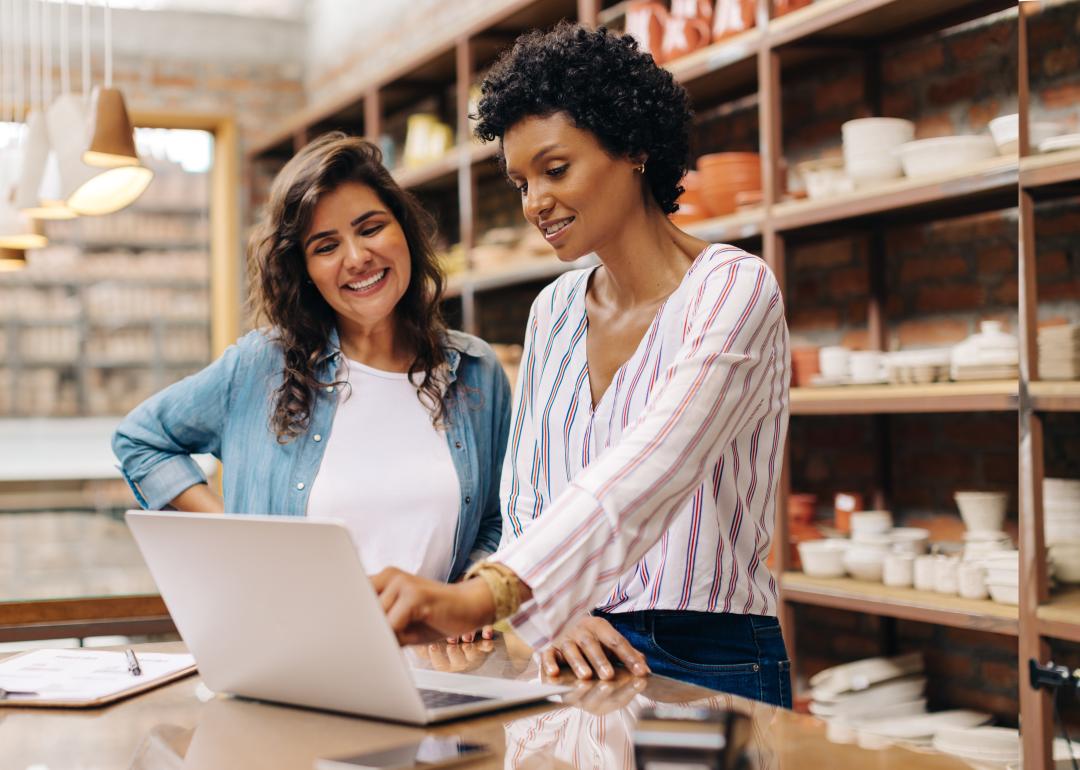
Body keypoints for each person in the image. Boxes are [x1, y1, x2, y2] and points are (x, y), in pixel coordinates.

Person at [372, 23, 792, 706]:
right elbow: (527, 495)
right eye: (520, 181)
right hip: (570, 644)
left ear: (632, 147)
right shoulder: (554, 309)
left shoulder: (731, 289)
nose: (534, 201)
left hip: (707, 654)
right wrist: (554, 614)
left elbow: (655, 467)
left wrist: (488, 595)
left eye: (555, 169)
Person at [114, 134, 510, 615]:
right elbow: (140, 440)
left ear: (404, 231)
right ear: (304, 270)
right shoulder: (262, 367)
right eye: (325, 246)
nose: (357, 257)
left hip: (438, 669)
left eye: (370, 228)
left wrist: (465, 598)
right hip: (296, 648)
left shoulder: (476, 372)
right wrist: (237, 531)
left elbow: (496, 517)